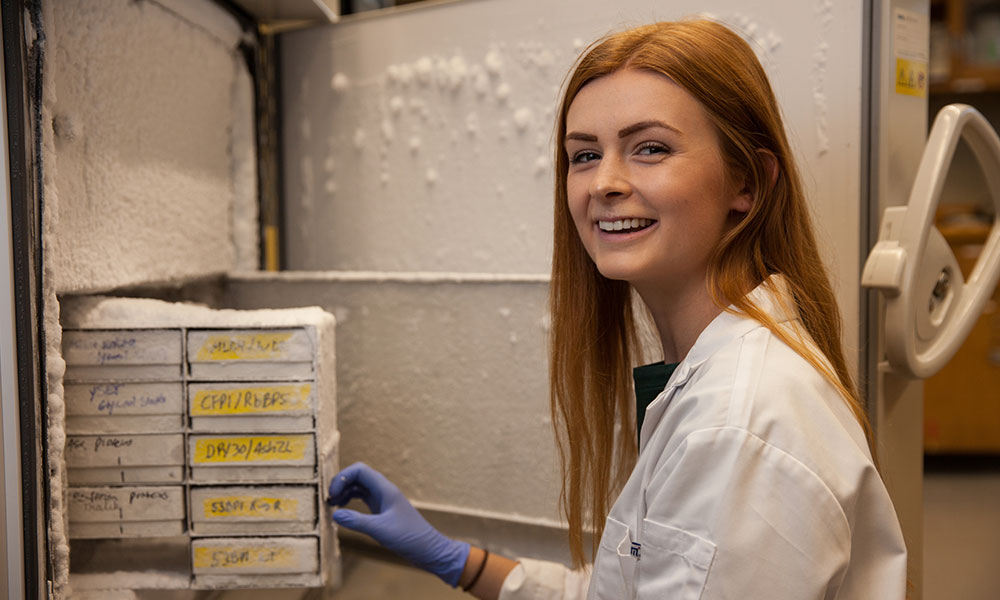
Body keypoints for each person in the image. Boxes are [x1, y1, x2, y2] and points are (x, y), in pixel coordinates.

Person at [327, 19, 908, 599]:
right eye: (583, 156)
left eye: (650, 148)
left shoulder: (738, 426)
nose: (603, 182)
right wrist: (460, 561)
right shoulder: (716, 376)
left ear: (748, 183)